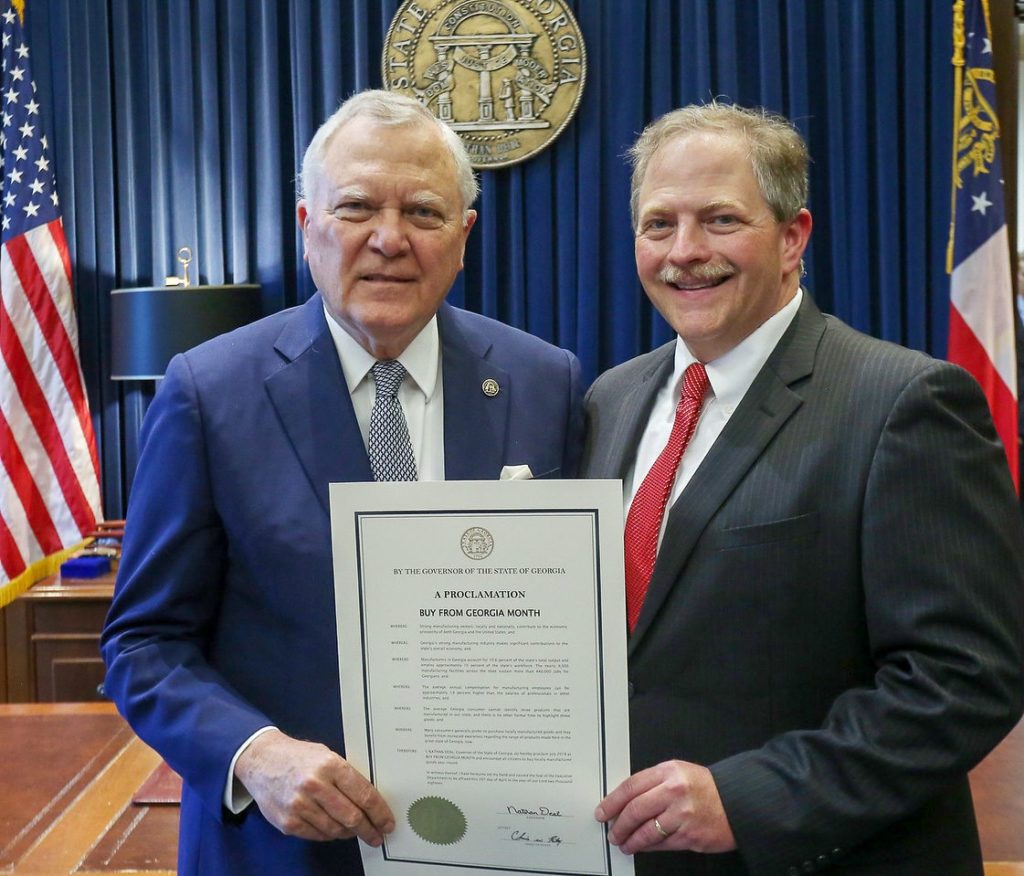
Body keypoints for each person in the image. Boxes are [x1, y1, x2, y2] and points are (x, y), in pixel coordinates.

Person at [101, 89, 584, 875]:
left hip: (501, 843)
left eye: (424, 213)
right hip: (282, 849)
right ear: (307, 228)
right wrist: (256, 757)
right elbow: (143, 644)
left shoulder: (543, 383)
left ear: (463, 237)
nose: (389, 240)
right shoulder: (209, 392)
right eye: (357, 207)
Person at [582, 102, 1024, 876]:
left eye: (720, 220)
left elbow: (968, 678)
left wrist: (753, 800)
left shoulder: (906, 403)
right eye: (659, 225)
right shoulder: (609, 400)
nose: (685, 252)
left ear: (793, 238)